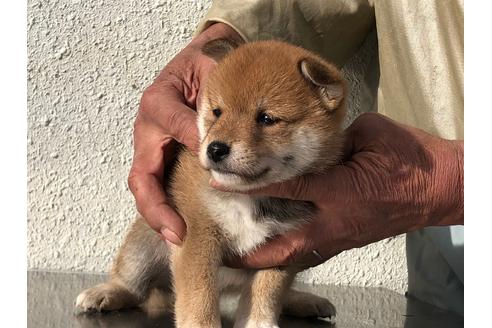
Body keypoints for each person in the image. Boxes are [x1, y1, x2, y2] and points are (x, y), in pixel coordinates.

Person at [127, 0, 464, 315]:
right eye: (216, 113)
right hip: (437, 237)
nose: (221, 138)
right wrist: (234, 28)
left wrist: (455, 178)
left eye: (267, 120)